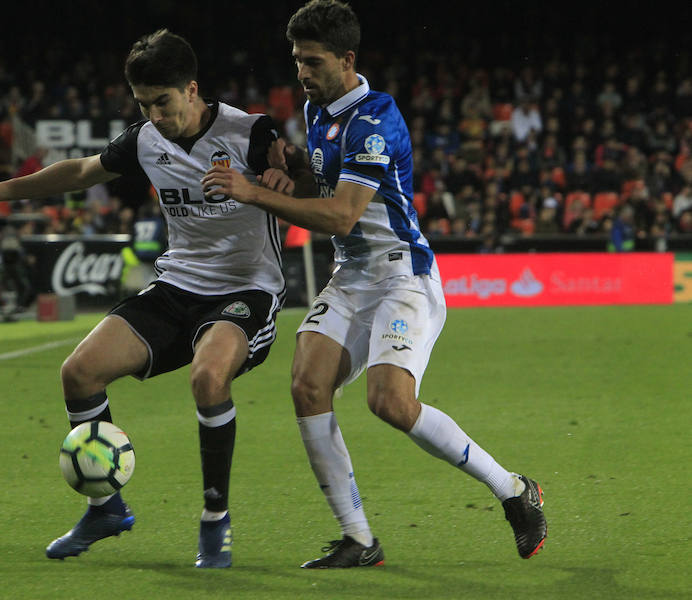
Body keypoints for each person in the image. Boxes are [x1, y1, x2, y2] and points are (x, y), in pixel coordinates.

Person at [202, 0, 547, 567]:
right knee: (306, 386)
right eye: (296, 60)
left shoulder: (375, 117)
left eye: (313, 61)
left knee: (389, 401)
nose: (301, 72)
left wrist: (253, 191)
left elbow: (341, 214)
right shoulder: (320, 113)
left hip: (400, 277)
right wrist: (290, 174)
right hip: (351, 275)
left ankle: (513, 490)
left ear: (347, 58)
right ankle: (359, 539)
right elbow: (325, 184)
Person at [0, 29, 289, 568]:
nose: (155, 115)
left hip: (246, 290)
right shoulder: (146, 138)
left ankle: (215, 520)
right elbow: (80, 171)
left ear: (191, 90)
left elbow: (309, 181)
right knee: (78, 372)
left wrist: (284, 180)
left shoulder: (252, 132)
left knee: (207, 377)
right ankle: (106, 507)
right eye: (144, 104)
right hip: (177, 286)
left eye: (163, 102)